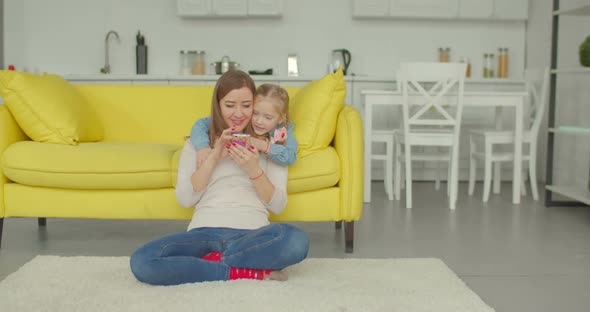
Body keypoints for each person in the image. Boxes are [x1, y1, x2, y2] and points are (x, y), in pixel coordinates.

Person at [130, 70, 309, 285]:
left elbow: (278, 206)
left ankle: (206, 264)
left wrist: (254, 170)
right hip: (203, 234)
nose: (238, 114)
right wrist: (213, 156)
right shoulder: (197, 145)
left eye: (246, 105)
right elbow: (185, 199)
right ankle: (245, 271)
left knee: (297, 240)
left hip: (251, 236)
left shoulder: (271, 146)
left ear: (256, 105)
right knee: (142, 260)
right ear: (218, 105)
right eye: (230, 105)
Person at [190, 85, 297, 168]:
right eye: (255, 113)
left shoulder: (284, 129)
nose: (259, 121)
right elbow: (201, 124)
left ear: (281, 118)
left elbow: (290, 157)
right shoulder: (242, 119)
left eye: (268, 117)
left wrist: (261, 144)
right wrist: (202, 147)